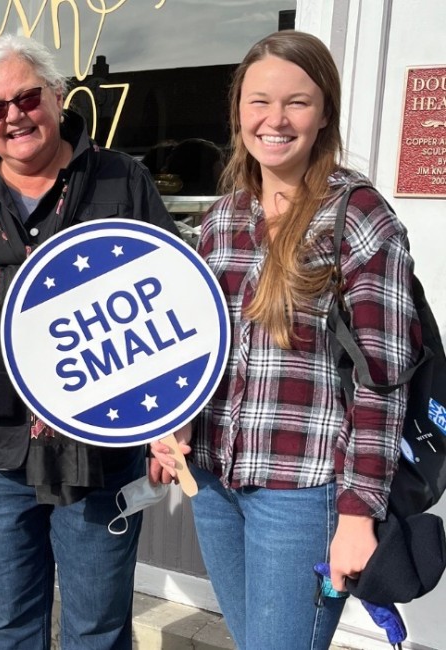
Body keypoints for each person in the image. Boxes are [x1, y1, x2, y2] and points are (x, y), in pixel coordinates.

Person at [0, 35, 178, 649]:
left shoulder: (119, 180)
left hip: (96, 450)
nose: (14, 116)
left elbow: (173, 293)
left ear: (56, 95)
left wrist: (170, 421)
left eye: (26, 97)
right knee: (11, 620)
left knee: (97, 627)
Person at [149, 30, 422, 650]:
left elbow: (383, 379)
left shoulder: (358, 216)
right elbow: (197, 350)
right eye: (258, 101)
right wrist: (174, 423)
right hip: (216, 482)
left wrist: (357, 516)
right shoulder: (221, 220)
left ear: (325, 111)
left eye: (297, 102)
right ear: (237, 110)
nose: (275, 120)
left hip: (304, 495)